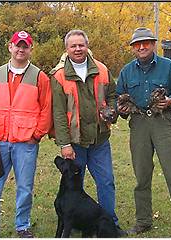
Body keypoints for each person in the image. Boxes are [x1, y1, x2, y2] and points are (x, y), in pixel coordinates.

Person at [0, 31, 53, 238]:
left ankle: (22, 225)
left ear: (30, 49)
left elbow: (47, 109)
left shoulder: (40, 77)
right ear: (10, 47)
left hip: (26, 142)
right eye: (17, 45)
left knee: (24, 186)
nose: (21, 49)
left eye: (25, 46)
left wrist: (36, 135)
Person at [116, 27, 171, 238]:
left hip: (163, 122)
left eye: (146, 43)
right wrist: (122, 109)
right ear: (133, 48)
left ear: (153, 44)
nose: (142, 47)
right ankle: (143, 221)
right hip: (139, 124)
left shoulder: (167, 66)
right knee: (141, 175)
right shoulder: (126, 72)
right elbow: (119, 99)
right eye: (137, 44)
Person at [49, 29, 126, 237]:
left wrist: (111, 111)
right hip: (75, 142)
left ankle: (110, 223)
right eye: (73, 46)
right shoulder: (58, 76)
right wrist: (64, 144)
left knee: (106, 181)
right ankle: (76, 222)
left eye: (81, 45)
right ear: (67, 49)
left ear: (87, 46)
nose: (77, 49)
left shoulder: (101, 69)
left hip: (99, 140)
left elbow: (113, 95)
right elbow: (58, 113)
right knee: (75, 186)